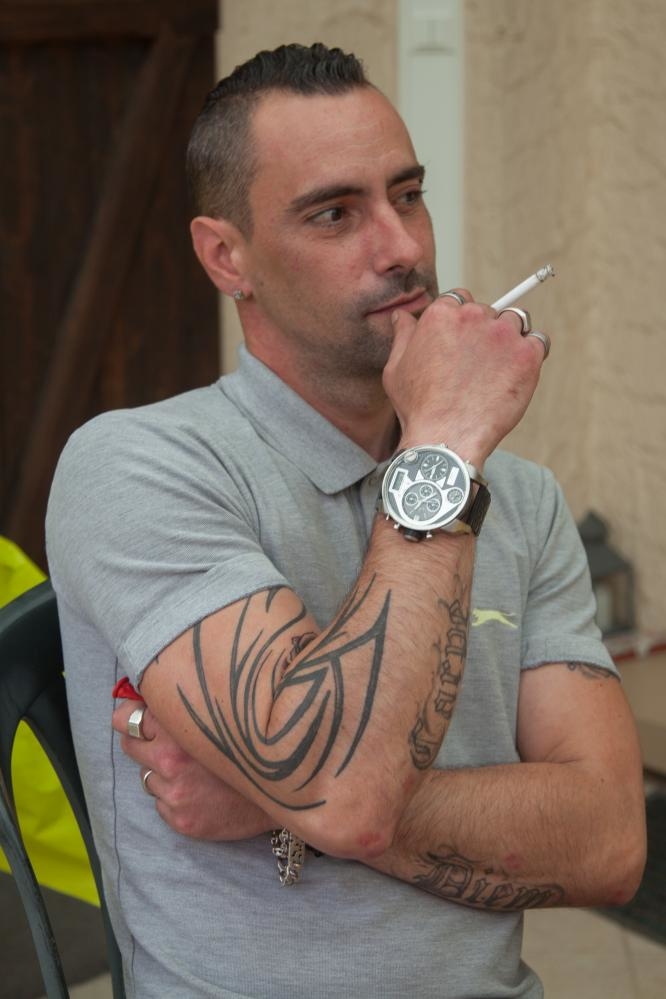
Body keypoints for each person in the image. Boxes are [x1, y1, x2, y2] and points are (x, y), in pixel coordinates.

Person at [46, 42, 646, 999]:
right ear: (226, 256)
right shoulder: (140, 465)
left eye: (408, 194)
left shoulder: (520, 496)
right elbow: (343, 792)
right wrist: (442, 446)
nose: (402, 247)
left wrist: (277, 806)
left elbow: (610, 843)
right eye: (335, 213)